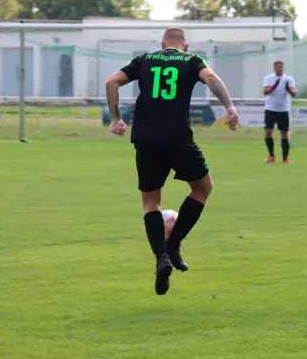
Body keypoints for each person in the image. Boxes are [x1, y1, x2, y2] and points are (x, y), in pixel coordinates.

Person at [105, 27, 238, 296]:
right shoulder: (191, 61)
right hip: (179, 138)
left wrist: (116, 118)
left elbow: (111, 82)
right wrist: (229, 107)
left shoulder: (145, 59)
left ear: (162, 44)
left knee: (151, 202)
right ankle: (174, 244)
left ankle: (160, 258)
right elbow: (211, 79)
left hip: (145, 139)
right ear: (184, 47)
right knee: (202, 188)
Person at [262, 61, 296, 163]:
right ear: (274, 68)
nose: (278, 69)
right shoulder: (268, 78)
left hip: (283, 110)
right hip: (270, 109)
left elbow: (294, 93)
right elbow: (265, 92)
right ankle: (271, 156)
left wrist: (288, 89)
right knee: (268, 132)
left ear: (283, 68)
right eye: (277, 67)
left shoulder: (288, 79)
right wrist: (274, 86)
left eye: (280, 67)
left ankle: (285, 158)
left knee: (284, 133)